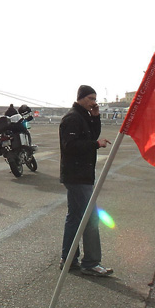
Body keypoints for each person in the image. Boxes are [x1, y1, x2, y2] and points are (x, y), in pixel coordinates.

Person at [59, 84, 113, 276]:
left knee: (74, 217)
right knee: (91, 218)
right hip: (77, 175)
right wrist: (95, 145)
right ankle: (90, 262)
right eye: (90, 98)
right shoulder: (73, 118)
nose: (94, 102)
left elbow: (92, 135)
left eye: (95, 98)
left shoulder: (83, 116)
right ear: (81, 98)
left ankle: (69, 259)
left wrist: (96, 117)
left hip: (81, 175)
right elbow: (70, 146)